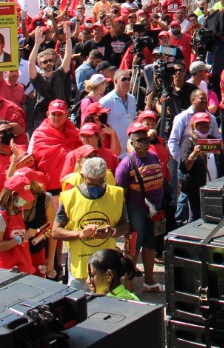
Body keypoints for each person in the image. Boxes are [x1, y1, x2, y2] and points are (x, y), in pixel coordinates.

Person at [53, 156, 127, 292]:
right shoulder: (69, 197)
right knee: (79, 302)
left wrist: (113, 232)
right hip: (81, 268)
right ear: (82, 176)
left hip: (107, 268)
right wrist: (80, 234)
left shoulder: (117, 194)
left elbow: (125, 226)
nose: (96, 187)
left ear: (105, 177)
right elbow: (55, 231)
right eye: (91, 183)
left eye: (100, 182)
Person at [114, 124, 165, 294]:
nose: (143, 143)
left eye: (146, 139)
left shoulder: (153, 156)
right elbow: (121, 195)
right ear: (132, 142)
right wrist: (125, 220)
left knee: (150, 245)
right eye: (139, 140)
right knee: (133, 249)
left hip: (154, 211)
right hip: (135, 210)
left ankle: (149, 282)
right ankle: (128, 286)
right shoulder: (126, 164)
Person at [177, 112, 223, 222]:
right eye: (200, 124)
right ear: (194, 126)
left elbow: (222, 165)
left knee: (214, 217)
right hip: (195, 191)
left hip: (214, 189)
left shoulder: (214, 141)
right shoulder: (188, 143)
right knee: (195, 218)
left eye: (206, 124)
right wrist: (193, 154)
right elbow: (184, 168)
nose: (203, 127)